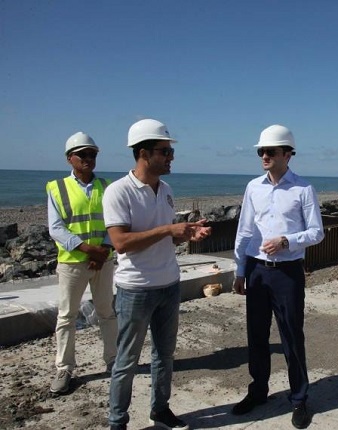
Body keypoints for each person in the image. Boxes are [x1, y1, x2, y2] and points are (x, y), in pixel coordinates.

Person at [103, 119, 211, 430]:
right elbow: (121, 243)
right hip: (135, 289)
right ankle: (117, 421)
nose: (171, 156)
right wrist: (168, 229)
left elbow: (167, 238)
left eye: (170, 151)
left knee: (165, 355)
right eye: (165, 151)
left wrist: (186, 234)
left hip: (169, 284)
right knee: (126, 361)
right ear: (143, 153)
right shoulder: (118, 191)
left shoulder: (165, 190)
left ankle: (160, 411)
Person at [232, 124, 324, 429]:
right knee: (256, 335)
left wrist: (287, 241)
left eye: (270, 151)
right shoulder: (253, 187)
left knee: (292, 336)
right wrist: (240, 270)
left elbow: (317, 232)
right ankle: (258, 391)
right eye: (261, 151)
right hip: (257, 270)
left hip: (287, 273)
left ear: (288, 154)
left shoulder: (303, 189)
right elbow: (244, 230)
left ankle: (299, 399)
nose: (264, 156)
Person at [46, 132, 117, 394]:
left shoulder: (108, 186)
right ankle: (64, 368)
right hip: (73, 263)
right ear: (70, 158)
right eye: (83, 154)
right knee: (67, 316)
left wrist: (104, 250)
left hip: (103, 261)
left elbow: (116, 221)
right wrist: (89, 250)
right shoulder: (57, 187)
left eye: (92, 154)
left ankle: (113, 361)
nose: (88, 158)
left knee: (107, 312)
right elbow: (56, 227)